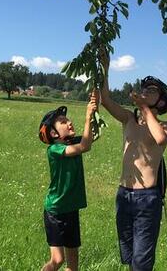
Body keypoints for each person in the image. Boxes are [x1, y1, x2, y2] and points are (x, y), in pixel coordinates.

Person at [100, 59, 167, 270]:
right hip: (123, 195)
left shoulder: (165, 126)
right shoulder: (128, 119)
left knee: (142, 262)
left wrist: (142, 106)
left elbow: (159, 138)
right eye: (144, 89)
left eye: (152, 90)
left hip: (146, 199)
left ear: (161, 101)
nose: (145, 91)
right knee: (129, 255)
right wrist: (105, 69)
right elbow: (105, 100)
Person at [39, 94, 98, 271]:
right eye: (63, 122)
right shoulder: (55, 149)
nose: (69, 122)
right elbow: (85, 146)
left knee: (73, 265)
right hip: (56, 210)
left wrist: (95, 106)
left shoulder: (72, 141)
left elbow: (92, 136)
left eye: (68, 119)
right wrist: (87, 115)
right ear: (53, 133)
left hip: (71, 209)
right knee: (57, 260)